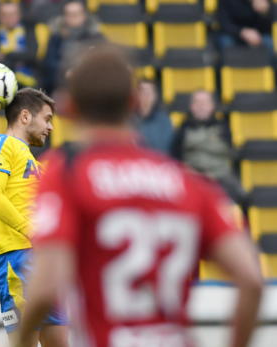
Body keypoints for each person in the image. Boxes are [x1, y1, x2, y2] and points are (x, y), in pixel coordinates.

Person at [15, 44, 263, 347]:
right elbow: (251, 279)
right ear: (134, 102)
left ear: (69, 107)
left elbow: (45, 287)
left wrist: (17, 341)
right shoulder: (188, 183)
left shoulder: (66, 174)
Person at [0, 88, 68, 346]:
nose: (50, 127)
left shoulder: (34, 163)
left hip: (40, 258)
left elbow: (0, 197)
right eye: (47, 118)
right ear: (26, 116)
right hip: (16, 257)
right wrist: (32, 231)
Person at [171, 90, 247, 207]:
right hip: (193, 180)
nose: (201, 106)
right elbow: (175, 161)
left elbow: (229, 153)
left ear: (212, 106)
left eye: (205, 102)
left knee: (239, 199)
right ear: (192, 106)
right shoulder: (182, 130)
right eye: (198, 102)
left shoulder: (223, 127)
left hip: (221, 181)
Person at [43, 0, 104, 95]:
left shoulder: (96, 36)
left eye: (76, 14)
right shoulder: (57, 37)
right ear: (64, 17)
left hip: (92, 84)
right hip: (63, 85)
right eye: (70, 14)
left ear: (84, 15)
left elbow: (104, 61)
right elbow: (49, 63)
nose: (73, 18)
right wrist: (64, 72)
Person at [0, 1, 39, 88]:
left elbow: (32, 55)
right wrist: (18, 59)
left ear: (19, 15)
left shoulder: (28, 30)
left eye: (12, 14)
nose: (9, 18)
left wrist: (5, 55)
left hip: (28, 80)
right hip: (0, 81)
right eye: (5, 15)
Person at [135, 79, 174, 155]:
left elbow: (165, 149)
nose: (146, 96)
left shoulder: (163, 121)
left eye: (149, 92)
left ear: (155, 96)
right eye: (143, 92)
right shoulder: (128, 120)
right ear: (137, 95)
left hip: (155, 163)